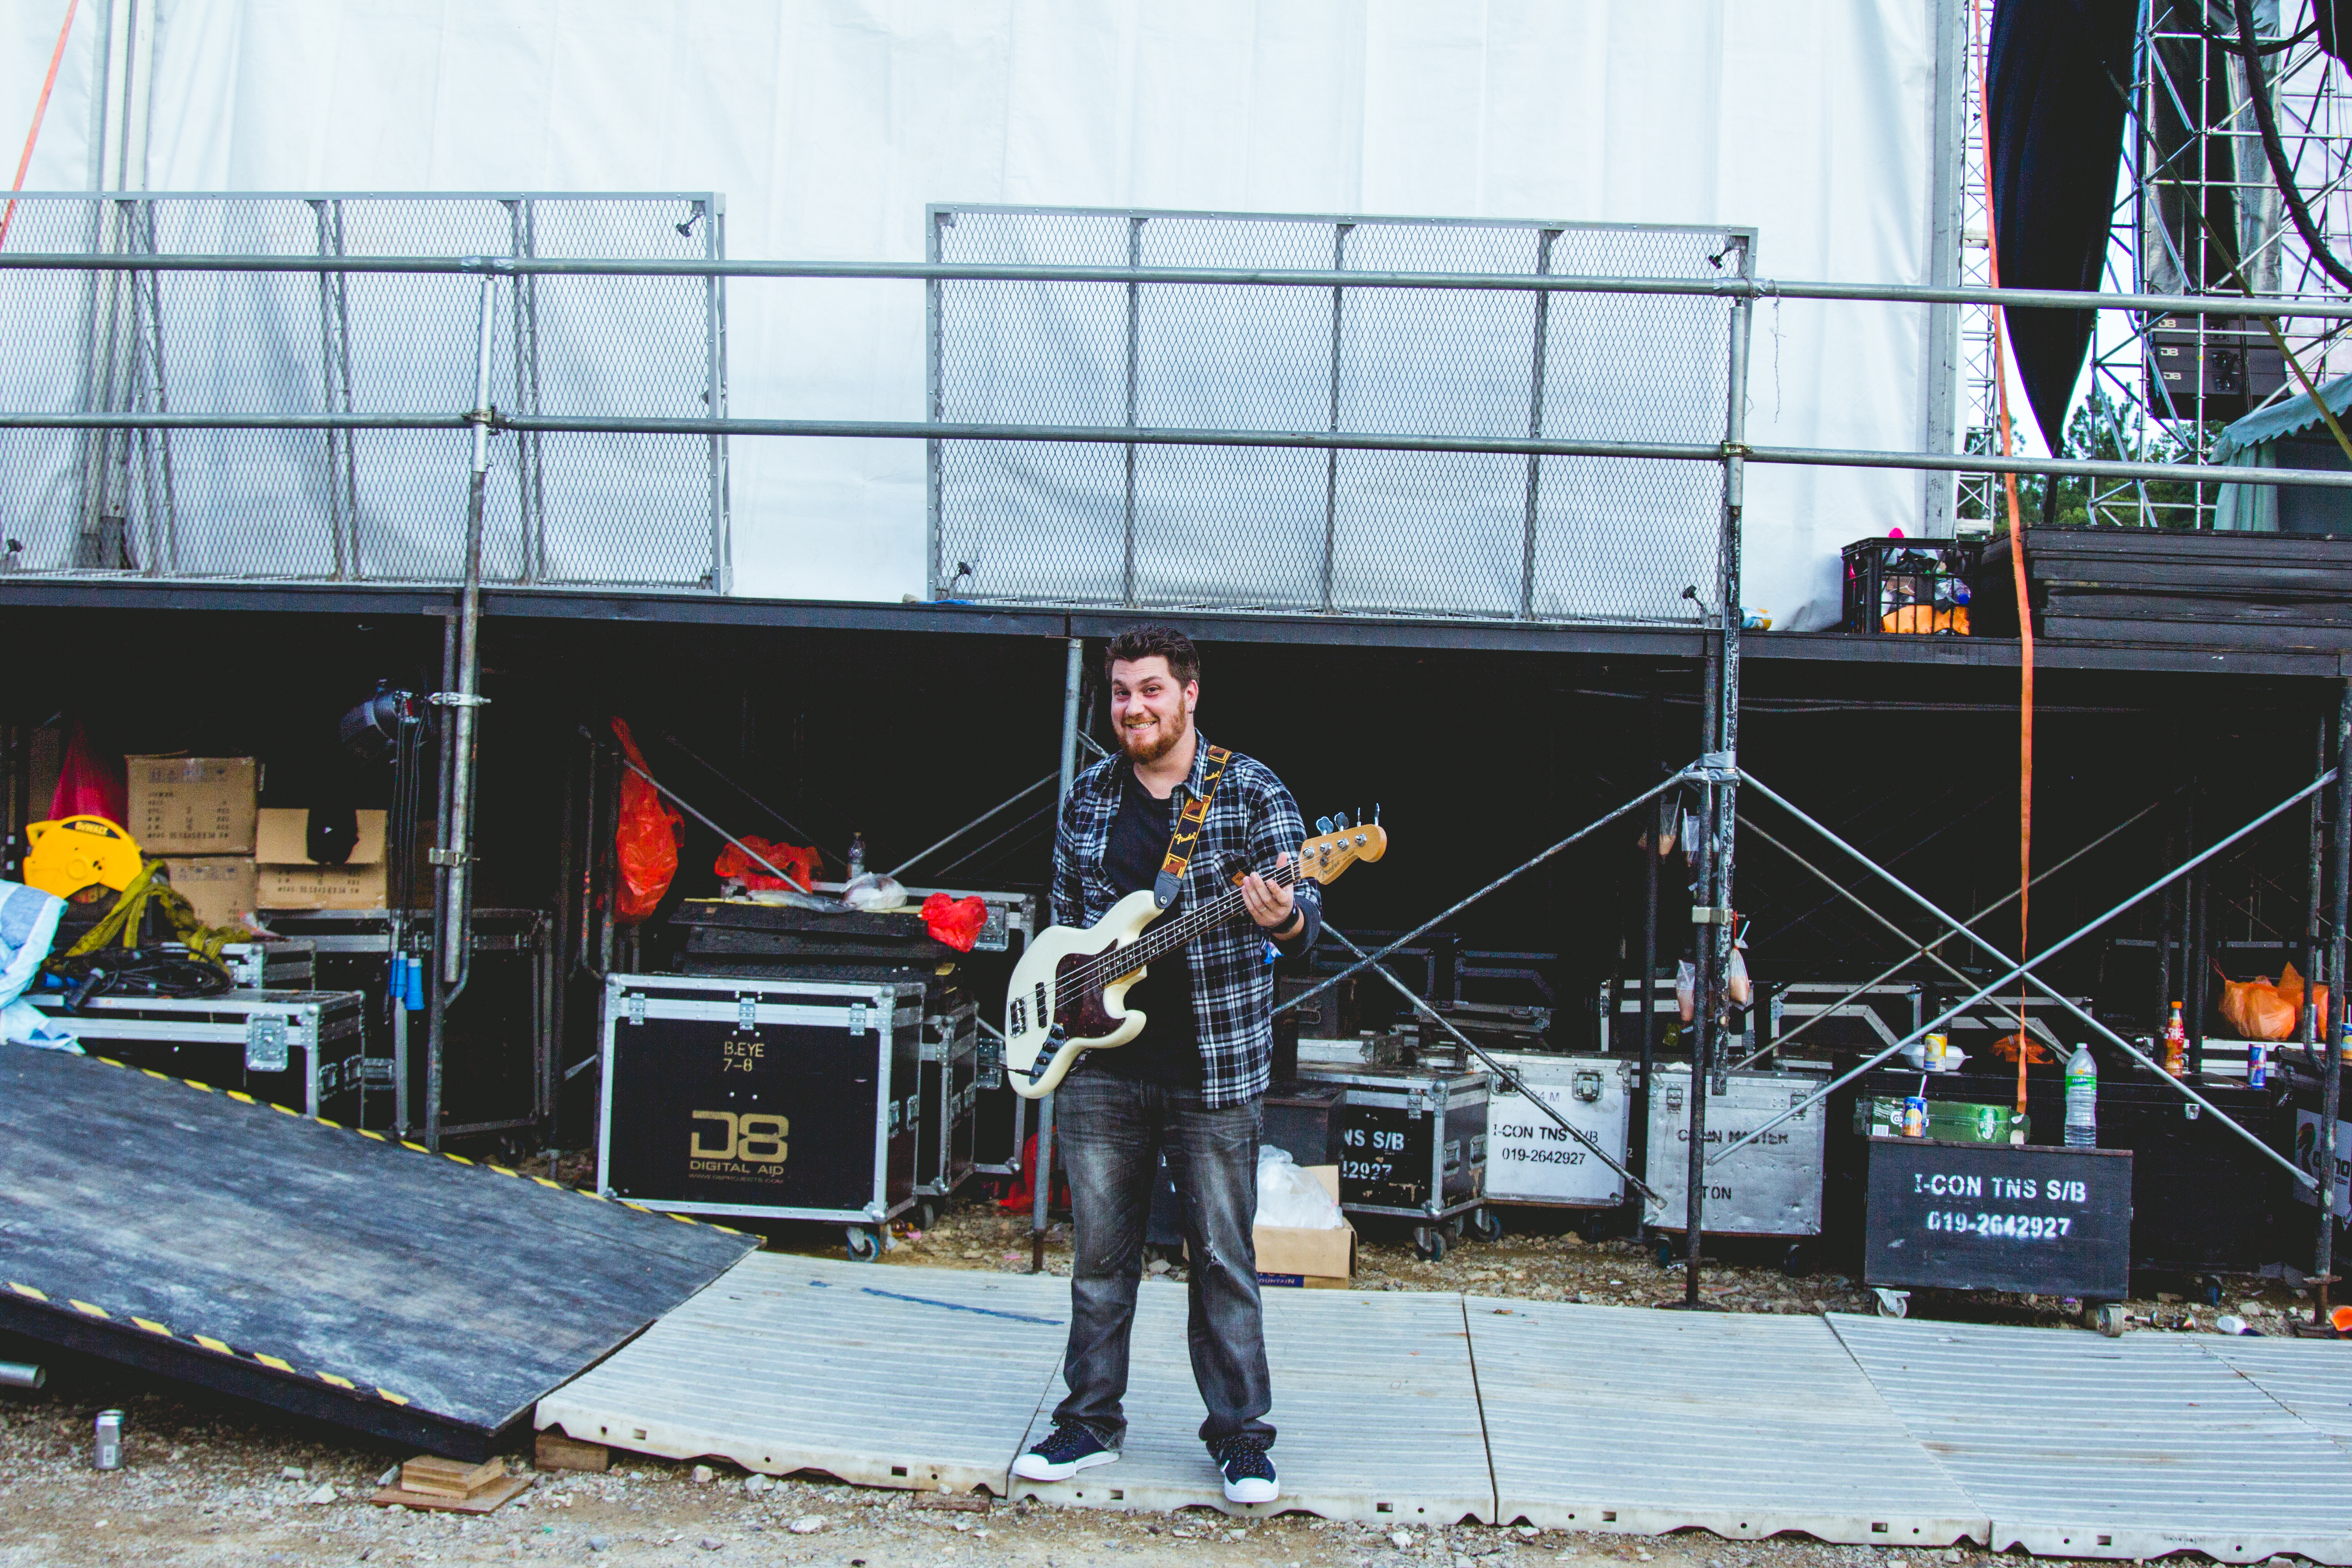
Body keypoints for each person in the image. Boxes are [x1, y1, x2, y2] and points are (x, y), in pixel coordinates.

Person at [1010, 625, 1322, 1505]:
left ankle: (1241, 1437)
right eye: (1120, 692)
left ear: (1189, 694)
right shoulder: (1088, 797)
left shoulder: (1252, 790)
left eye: (1150, 690)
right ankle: (1089, 1422)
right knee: (1099, 1258)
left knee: (1222, 1258)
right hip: (1099, 1065)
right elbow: (1065, 927)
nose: (1133, 707)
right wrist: (1060, 1005)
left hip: (1213, 1067)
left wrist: (1282, 917)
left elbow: (1306, 921)